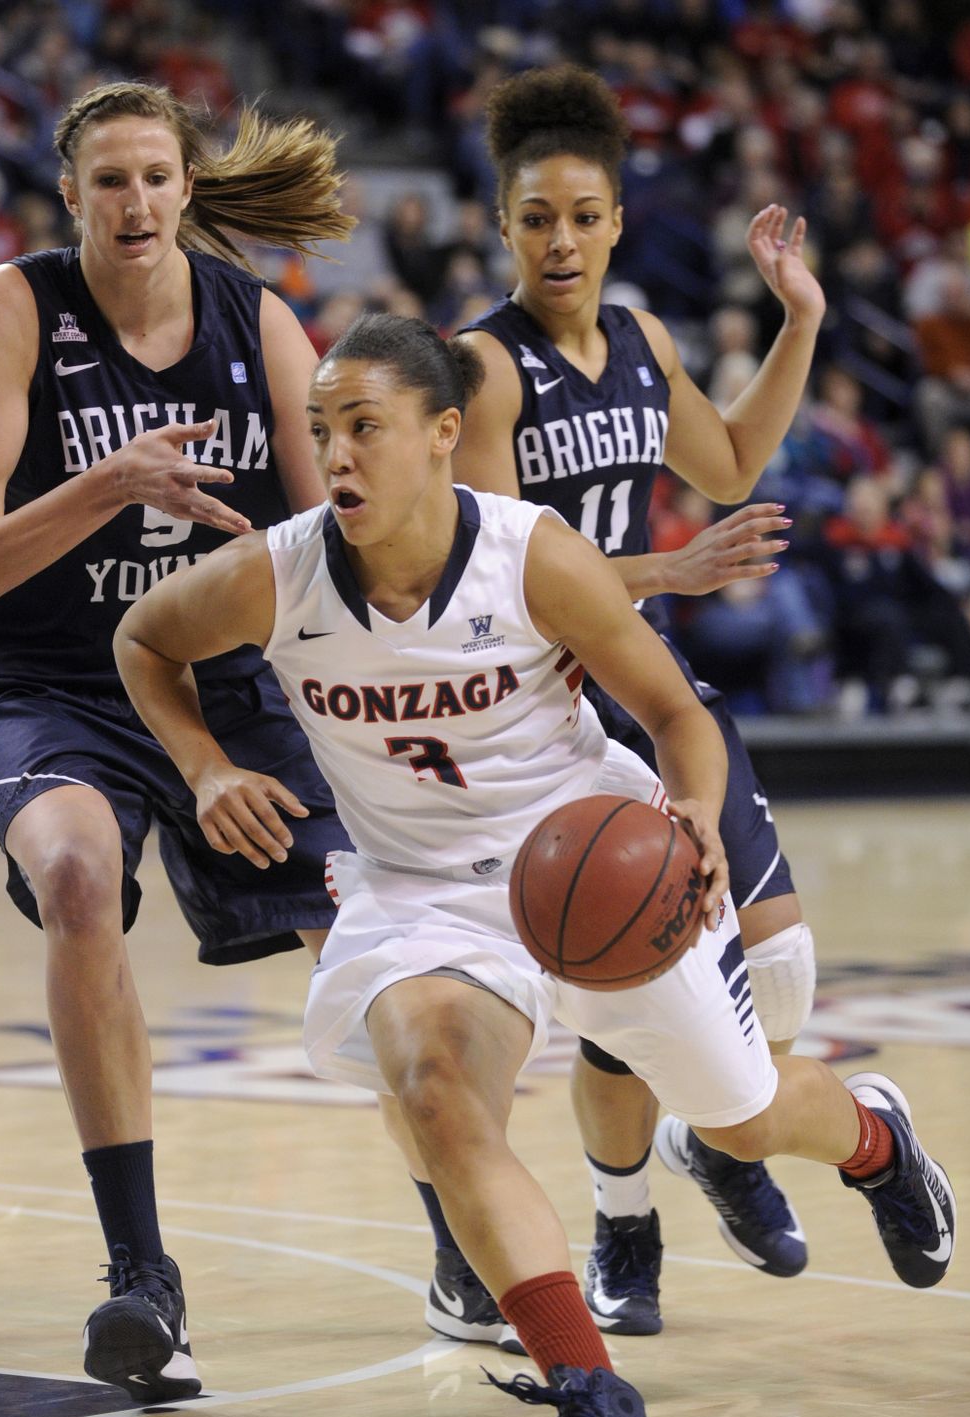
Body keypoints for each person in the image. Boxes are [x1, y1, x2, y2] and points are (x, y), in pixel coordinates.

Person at [113, 313, 955, 1417]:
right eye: (320, 432)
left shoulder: (532, 554)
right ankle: (598, 1402)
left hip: (591, 862)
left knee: (746, 1116)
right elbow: (144, 636)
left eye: (364, 427)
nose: (336, 455)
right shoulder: (281, 570)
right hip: (424, 894)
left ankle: (876, 1138)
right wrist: (202, 766)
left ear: (444, 434)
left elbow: (676, 713)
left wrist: (699, 812)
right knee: (436, 1085)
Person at [387, 63, 828, 1349]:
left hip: (649, 683)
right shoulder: (483, 366)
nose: (561, 240)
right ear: (504, 225)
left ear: (618, 220)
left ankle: (714, 1136)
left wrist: (797, 320)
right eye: (536, 219)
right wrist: (669, 570)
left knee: (784, 969)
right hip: (541, 705)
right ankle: (621, 1218)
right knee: (619, 968)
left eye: (583, 215)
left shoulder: (644, 342)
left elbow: (733, 461)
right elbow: (498, 574)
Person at [0, 81, 354, 1405]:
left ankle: (470, 1242)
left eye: (157, 177)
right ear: (71, 198)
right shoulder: (19, 307)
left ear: (187, 187)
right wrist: (108, 483)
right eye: (109, 181)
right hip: (50, 679)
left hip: (216, 682)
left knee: (374, 925)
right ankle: (142, 1280)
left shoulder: (257, 320)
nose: (136, 203)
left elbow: (327, 533)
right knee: (73, 879)